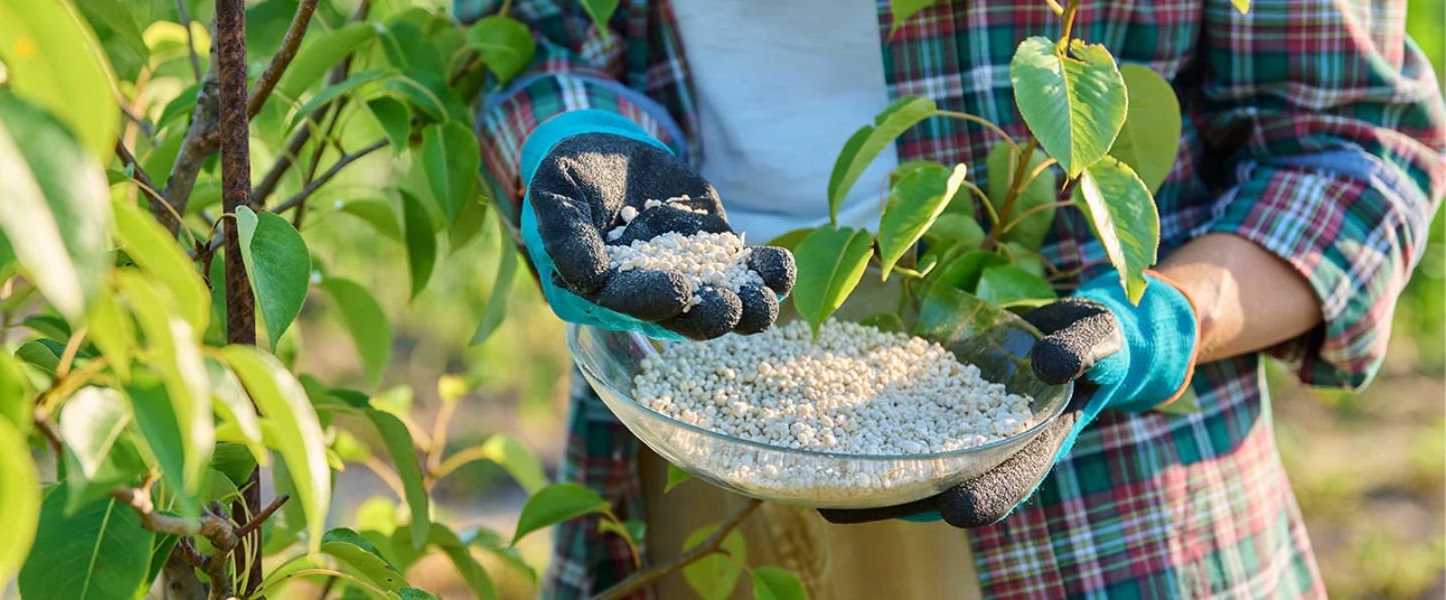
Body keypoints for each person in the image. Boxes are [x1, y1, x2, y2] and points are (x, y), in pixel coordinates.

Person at [462, 0, 1445, 597]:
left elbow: (1349, 148)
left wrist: (1168, 318)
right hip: (685, 413)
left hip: (1093, 496)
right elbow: (538, 37)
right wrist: (580, 140)